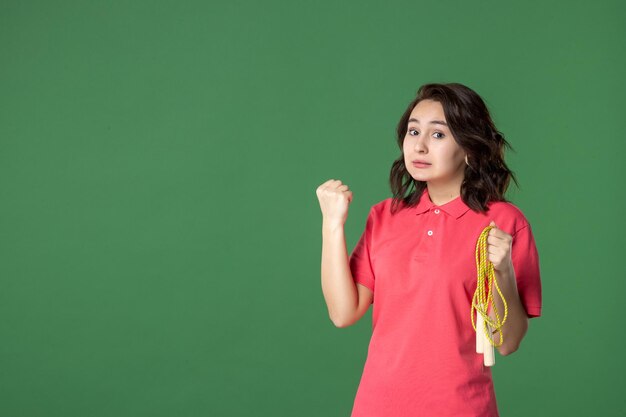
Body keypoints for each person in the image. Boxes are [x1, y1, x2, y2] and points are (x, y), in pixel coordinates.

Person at [315, 82, 542, 417]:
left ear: (468, 146)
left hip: (459, 408)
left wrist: (503, 270)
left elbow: (507, 342)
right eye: (413, 131)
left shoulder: (502, 222)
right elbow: (343, 313)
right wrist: (332, 225)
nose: (419, 146)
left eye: (438, 135)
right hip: (376, 406)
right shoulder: (384, 216)